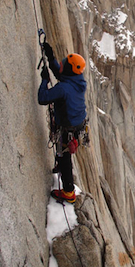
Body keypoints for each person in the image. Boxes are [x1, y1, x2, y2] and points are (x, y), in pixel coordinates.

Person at [38, 42, 87, 203]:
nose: (62, 63)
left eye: (65, 62)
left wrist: (44, 80)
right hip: (77, 125)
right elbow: (60, 73)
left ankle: (68, 193)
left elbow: (43, 98)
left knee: (65, 158)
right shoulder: (77, 80)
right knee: (63, 154)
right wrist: (50, 56)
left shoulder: (65, 88)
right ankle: (60, 166)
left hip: (68, 128)